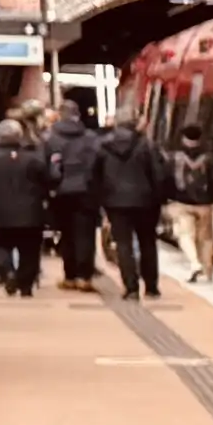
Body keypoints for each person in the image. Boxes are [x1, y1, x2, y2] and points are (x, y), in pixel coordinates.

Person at [0, 116, 56, 296]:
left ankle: (8, 273)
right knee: (29, 251)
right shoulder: (32, 159)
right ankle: (25, 285)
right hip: (31, 214)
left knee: (0, 247)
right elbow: (50, 179)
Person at [97, 112, 173, 299]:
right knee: (148, 242)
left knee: (123, 244)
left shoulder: (103, 146)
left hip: (115, 203)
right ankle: (151, 286)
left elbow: (96, 176)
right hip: (146, 202)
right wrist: (161, 198)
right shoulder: (147, 146)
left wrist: (102, 199)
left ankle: (130, 287)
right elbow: (159, 175)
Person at [46, 101, 105, 288]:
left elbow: (45, 166)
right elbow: (99, 164)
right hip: (87, 192)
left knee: (66, 233)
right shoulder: (91, 137)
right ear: (78, 115)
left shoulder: (50, 138)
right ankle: (84, 276)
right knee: (85, 234)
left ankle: (69, 275)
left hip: (61, 192)